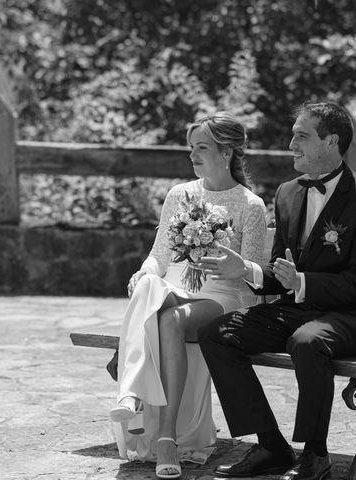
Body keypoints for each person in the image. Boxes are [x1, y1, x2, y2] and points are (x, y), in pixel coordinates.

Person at [196, 102, 356, 480]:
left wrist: (301, 283)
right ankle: (271, 446)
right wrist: (249, 270)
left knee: (307, 341)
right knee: (218, 333)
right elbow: (279, 268)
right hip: (302, 310)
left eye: (302, 136)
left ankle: (315, 456)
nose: (291, 144)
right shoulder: (288, 193)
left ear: (332, 140)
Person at [109, 112, 267, 479]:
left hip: (223, 294)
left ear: (227, 152)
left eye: (202, 148)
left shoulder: (251, 205)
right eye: (190, 148)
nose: (192, 155)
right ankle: (163, 435)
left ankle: (132, 391)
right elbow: (159, 254)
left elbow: (257, 275)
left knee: (167, 316)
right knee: (149, 287)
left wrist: (235, 267)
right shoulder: (179, 194)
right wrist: (145, 270)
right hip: (175, 286)